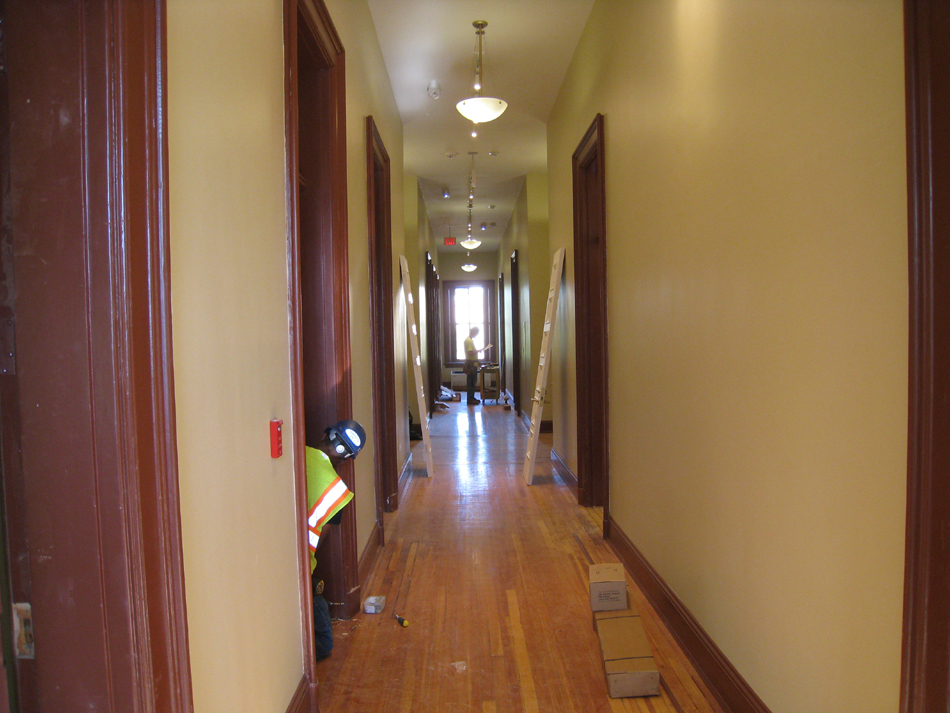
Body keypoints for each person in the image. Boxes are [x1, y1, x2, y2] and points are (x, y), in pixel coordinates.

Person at [307, 418, 366, 660]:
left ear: (325, 434)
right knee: (323, 643)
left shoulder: (292, 452)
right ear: (345, 460)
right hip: (299, 571)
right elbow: (318, 542)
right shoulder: (338, 492)